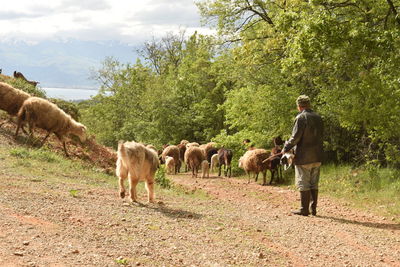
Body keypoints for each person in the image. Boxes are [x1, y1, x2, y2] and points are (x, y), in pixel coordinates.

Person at [282, 95, 323, 216]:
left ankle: (304, 209)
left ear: (299, 106)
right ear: (309, 105)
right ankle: (313, 209)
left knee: (303, 182)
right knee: (313, 183)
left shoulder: (301, 117)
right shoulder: (318, 117)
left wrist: (286, 148)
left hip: (304, 156)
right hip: (318, 155)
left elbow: (295, 137)